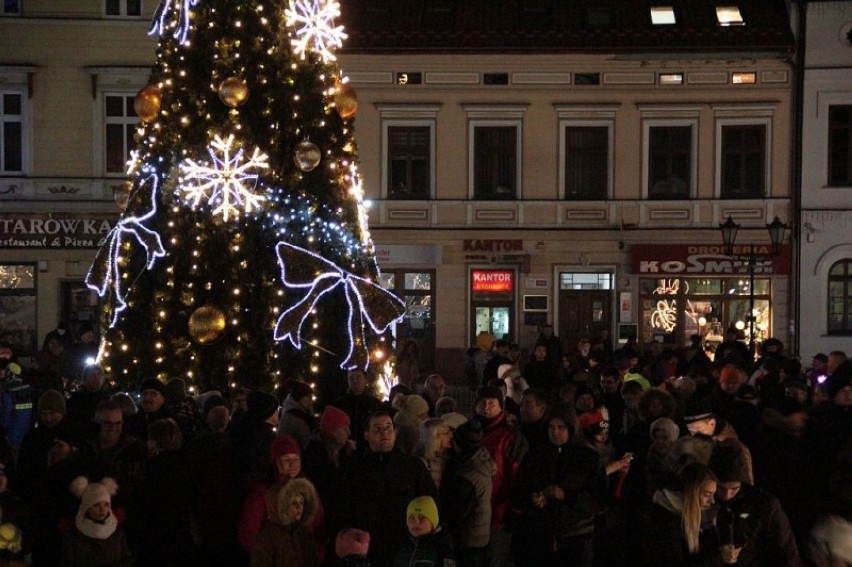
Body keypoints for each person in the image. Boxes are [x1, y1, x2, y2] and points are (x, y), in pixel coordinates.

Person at [510, 406, 608, 567]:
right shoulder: (534, 457)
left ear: (571, 428)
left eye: (561, 427)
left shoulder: (588, 458)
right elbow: (517, 492)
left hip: (577, 537)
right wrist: (533, 498)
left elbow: (600, 497)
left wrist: (567, 495)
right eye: (551, 427)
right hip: (539, 537)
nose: (555, 432)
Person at [342, 410, 437, 566]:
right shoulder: (356, 468)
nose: (384, 432)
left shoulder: (412, 466)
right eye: (377, 428)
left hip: (405, 547)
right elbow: (345, 507)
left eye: (388, 427)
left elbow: (430, 501)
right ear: (367, 434)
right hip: (368, 548)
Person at [707, 444, 800, 566]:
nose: (727, 495)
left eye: (734, 489)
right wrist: (717, 557)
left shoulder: (763, 504)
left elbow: (787, 551)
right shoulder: (704, 501)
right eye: (720, 488)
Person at [473, 385, 528, 567]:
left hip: (498, 515)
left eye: (491, 403)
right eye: (483, 403)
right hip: (472, 513)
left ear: (500, 406)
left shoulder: (510, 437)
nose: (487, 407)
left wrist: (514, 509)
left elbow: (518, 475)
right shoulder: (469, 433)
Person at [640, 462, 736, 565]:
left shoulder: (691, 518)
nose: (712, 501)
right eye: (707, 494)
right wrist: (718, 557)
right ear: (691, 492)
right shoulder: (664, 523)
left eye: (713, 494)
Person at [136, 418, 193, 566]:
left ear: (156, 441)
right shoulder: (182, 465)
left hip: (157, 533)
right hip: (179, 532)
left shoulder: (153, 468)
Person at [442, 419, 495, 567]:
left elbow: (457, 514)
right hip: (480, 538)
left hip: (468, 543)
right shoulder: (480, 462)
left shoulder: (467, 476)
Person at [62, 476, 131, 566]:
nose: (102, 509)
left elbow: (128, 560)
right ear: (87, 508)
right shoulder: (73, 537)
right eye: (96, 505)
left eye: (106, 504)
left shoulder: (118, 534)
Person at [251, 477, 320, 567]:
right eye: (293, 503)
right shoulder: (268, 536)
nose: (299, 507)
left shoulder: (304, 533)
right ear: (281, 505)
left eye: (301, 502)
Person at [394, 495, 455, 567]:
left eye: (422, 517)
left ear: (433, 522)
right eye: (411, 517)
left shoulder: (442, 547)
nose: (416, 522)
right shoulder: (403, 546)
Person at [334, 370, 383, 451]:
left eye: (358, 377)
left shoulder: (375, 404)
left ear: (365, 380)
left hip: (369, 449)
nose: (355, 381)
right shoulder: (339, 404)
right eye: (351, 378)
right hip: (345, 448)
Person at [124, 378, 173, 443]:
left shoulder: (170, 425)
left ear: (163, 399)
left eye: (153, 394)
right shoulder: (130, 422)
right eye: (144, 393)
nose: (147, 397)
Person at [413, 418, 454, 491]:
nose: (451, 436)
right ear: (434, 437)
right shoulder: (421, 462)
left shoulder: (447, 456)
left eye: (450, 431)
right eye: (446, 433)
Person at [279, 378, 317, 449]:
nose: (311, 400)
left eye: (311, 397)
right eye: (308, 397)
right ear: (299, 398)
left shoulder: (307, 414)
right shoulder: (289, 418)